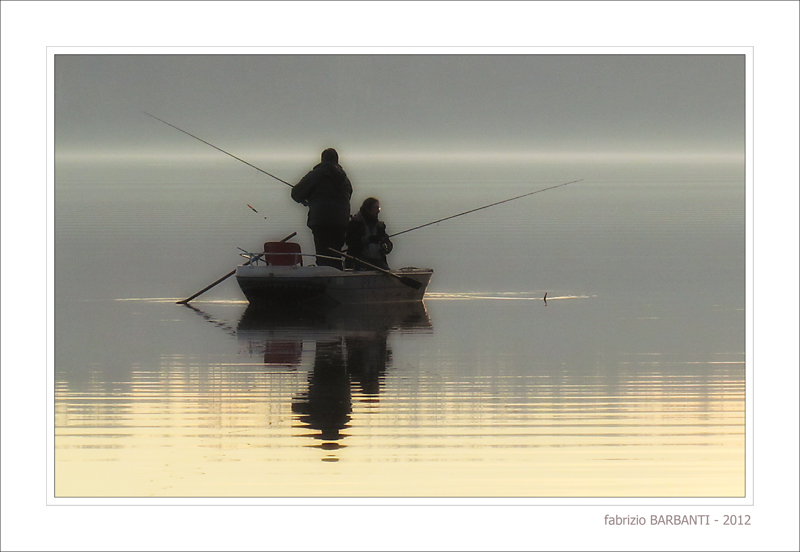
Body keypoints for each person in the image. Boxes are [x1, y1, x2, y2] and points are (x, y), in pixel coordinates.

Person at [291, 148, 353, 268]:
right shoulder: (344, 178)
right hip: (341, 220)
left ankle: (324, 278)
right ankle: (337, 275)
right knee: (336, 252)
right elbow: (349, 194)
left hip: (321, 219)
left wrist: (307, 200)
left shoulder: (317, 173)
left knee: (323, 253)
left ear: (322, 159)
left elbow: (296, 193)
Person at [345, 197, 393, 270]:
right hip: (360, 260)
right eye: (375, 208)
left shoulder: (380, 226)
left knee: (388, 274)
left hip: (378, 261)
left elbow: (387, 242)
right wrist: (370, 239)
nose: (378, 211)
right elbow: (350, 241)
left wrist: (387, 245)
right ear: (367, 209)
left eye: (379, 208)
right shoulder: (355, 223)